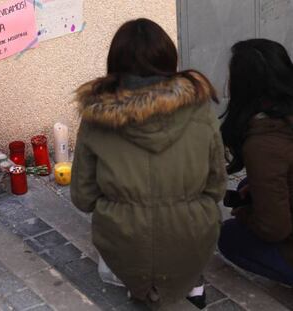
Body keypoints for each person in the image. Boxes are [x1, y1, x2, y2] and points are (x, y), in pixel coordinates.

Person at [70, 18, 227, 309]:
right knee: (183, 240)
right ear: (169, 59)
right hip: (192, 234)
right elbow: (217, 185)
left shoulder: (96, 119)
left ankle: (141, 287)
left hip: (124, 241)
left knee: (138, 252)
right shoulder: (200, 110)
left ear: (115, 63)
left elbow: (83, 197)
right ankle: (193, 287)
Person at [219, 39, 293, 286]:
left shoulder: (263, 143)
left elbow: (275, 228)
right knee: (247, 187)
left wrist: (246, 215)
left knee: (228, 235)